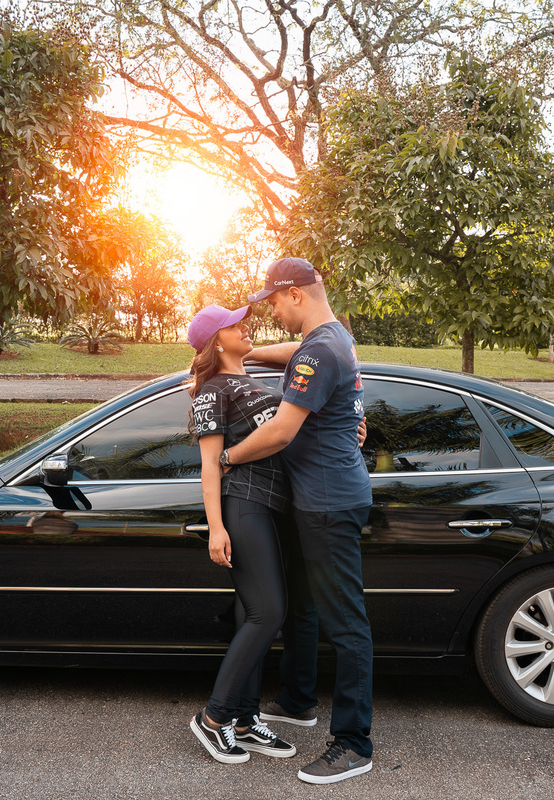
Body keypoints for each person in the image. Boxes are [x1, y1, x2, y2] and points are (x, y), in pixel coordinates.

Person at [222, 257, 375, 785]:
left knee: (345, 623)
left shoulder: (322, 349)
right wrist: (245, 351)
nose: (273, 314)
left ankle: (354, 744)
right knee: (305, 609)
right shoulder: (336, 341)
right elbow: (296, 353)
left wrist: (228, 457)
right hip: (323, 497)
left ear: (295, 295)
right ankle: (297, 701)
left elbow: (282, 431)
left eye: (274, 303)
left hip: (327, 505)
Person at [185, 303, 300, 764]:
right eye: (234, 324)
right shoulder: (212, 391)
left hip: (274, 508)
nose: (246, 325)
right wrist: (216, 527)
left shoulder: (249, 377)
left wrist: (248, 353)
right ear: (216, 340)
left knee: (253, 613)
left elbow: (304, 350)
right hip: (244, 503)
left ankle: (246, 720)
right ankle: (213, 719)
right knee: (267, 612)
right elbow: (209, 464)